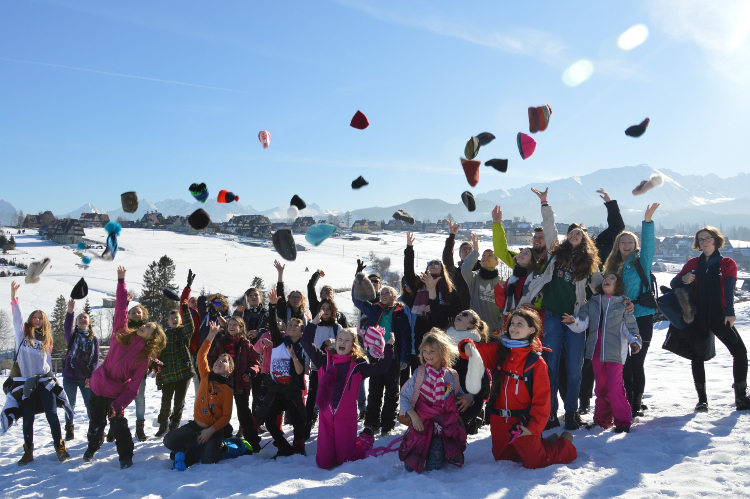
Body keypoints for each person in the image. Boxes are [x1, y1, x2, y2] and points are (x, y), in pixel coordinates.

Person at [460, 308, 577, 469]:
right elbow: (473, 349)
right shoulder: (500, 350)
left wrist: (532, 428)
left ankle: (564, 444)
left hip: (523, 422)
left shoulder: (536, 362)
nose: (513, 327)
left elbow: (542, 400)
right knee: (504, 459)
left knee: (535, 462)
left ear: (532, 330)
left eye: (519, 324)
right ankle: (542, 443)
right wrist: (467, 346)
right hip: (500, 420)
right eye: (512, 323)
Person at [84, 266, 167, 469]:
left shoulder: (143, 358)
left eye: (148, 328)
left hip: (115, 393)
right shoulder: (121, 332)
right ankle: (93, 446)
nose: (143, 326)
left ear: (152, 339)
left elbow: (133, 388)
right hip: (97, 385)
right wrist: (121, 281)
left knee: (119, 426)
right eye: (145, 325)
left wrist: (118, 404)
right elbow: (121, 308)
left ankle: (126, 457)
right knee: (95, 424)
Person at [523, 223, 602, 431]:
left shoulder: (590, 264)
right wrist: (545, 205)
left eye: (579, 233)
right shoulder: (556, 254)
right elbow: (550, 231)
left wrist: (621, 301)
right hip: (552, 315)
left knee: (575, 370)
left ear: (584, 239)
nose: (575, 235)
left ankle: (571, 412)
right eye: (571, 233)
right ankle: (550, 412)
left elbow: (601, 289)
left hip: (575, 319)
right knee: (550, 366)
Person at [670, 227, 750, 411]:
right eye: (701, 239)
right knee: (697, 357)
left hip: (719, 314)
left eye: (708, 238)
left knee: (739, 352)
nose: (704, 242)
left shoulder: (727, 263)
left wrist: (730, 312)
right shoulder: (692, 263)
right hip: (697, 315)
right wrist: (685, 278)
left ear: (716, 240)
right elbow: (674, 283)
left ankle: (741, 398)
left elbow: (729, 289)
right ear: (697, 243)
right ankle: (702, 401)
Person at [301, 318, 394, 469]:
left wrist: (389, 346)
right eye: (340, 339)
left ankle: (366, 438)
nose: (342, 342)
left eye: (347, 340)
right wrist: (313, 324)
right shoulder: (323, 360)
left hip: (346, 418)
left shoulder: (358, 366)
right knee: (324, 463)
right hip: (326, 419)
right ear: (335, 342)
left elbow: (380, 368)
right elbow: (306, 342)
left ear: (353, 345)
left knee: (346, 460)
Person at [563, 273, 642, 432]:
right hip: (596, 352)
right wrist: (574, 321)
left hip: (615, 352)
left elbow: (630, 328)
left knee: (614, 387)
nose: (608, 279)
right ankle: (602, 421)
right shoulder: (592, 303)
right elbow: (583, 322)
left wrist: (634, 342)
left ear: (618, 285)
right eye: (606, 277)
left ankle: (623, 421)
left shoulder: (623, 305)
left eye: (612, 278)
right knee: (600, 388)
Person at [603, 204, 659, 416]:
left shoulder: (641, 262)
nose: (626, 245)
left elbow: (650, 245)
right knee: (623, 364)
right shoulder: (611, 266)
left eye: (630, 242)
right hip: (618, 320)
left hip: (642, 317)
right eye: (622, 242)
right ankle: (624, 400)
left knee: (637, 362)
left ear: (635, 245)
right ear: (617, 246)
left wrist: (647, 221)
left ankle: (635, 404)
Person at [8, 281, 71, 465]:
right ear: (30, 320)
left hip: (45, 381)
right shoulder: (23, 335)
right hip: (27, 383)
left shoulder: (47, 340)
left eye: (40, 318)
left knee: (52, 414)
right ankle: (28, 451)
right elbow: (17, 318)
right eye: (34, 317)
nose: (37, 320)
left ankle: (60, 447)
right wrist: (14, 299)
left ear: (44, 321)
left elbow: (47, 363)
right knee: (27, 418)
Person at [163, 320, 234, 470]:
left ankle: (215, 445)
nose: (219, 361)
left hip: (213, 430)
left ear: (229, 370)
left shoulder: (227, 390)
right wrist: (211, 335)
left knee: (208, 461)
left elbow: (226, 417)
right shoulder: (206, 375)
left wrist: (210, 431)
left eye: (224, 361)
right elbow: (201, 355)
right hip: (195, 426)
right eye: (218, 360)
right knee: (168, 441)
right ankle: (191, 449)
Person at [398, 330, 468, 473]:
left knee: (434, 466)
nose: (427, 355)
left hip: (443, 427)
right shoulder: (420, 373)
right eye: (425, 351)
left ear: (443, 352)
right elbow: (404, 397)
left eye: (432, 351)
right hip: (421, 425)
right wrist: (414, 416)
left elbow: (459, 395)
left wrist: (469, 397)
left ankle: (445, 450)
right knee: (410, 467)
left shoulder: (451, 375)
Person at [351, 281, 412, 436]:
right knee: (375, 390)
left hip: (393, 358)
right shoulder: (374, 309)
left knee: (392, 392)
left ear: (394, 296)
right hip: (376, 358)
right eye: (382, 293)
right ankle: (372, 423)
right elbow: (356, 300)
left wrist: (404, 358)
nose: (383, 295)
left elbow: (406, 337)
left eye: (387, 293)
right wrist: (357, 280)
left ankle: (387, 424)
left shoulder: (401, 313)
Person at [256, 289, 307, 458]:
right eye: (290, 324)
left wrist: (293, 356)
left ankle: (299, 445)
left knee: (298, 418)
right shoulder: (278, 341)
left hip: (291, 388)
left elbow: (300, 372)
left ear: (301, 332)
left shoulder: (301, 348)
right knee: (269, 420)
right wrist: (271, 305)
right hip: (275, 387)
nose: (291, 327)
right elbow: (272, 323)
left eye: (296, 326)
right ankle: (283, 446)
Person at [403, 231, 461, 372]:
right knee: (422, 366)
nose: (433, 264)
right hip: (421, 329)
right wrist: (409, 248)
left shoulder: (449, 288)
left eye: (436, 263)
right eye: (430, 263)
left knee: (440, 366)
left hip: (442, 329)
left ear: (442, 269)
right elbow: (408, 272)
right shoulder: (420, 285)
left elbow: (457, 308)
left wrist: (438, 308)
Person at [430, 304, 491, 435]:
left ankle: (471, 420)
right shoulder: (444, 340)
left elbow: (482, 378)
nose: (460, 314)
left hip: (466, 400)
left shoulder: (473, 346)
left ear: (471, 326)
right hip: (444, 394)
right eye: (460, 312)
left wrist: (472, 397)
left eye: (465, 315)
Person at [207, 316, 262, 449]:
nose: (231, 327)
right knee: (220, 411)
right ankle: (224, 436)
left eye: (235, 325)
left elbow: (256, 362)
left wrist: (250, 372)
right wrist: (212, 372)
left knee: (243, 413)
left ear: (241, 328)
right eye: (230, 324)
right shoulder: (221, 343)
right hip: (222, 384)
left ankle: (253, 442)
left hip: (241, 383)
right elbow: (210, 358)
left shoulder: (246, 344)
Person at [154, 271, 196, 438]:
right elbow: (157, 356)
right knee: (165, 403)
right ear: (167, 321)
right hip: (168, 374)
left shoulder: (183, 333)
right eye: (172, 317)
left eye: (177, 317)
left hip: (183, 373)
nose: (174, 319)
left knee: (179, 403)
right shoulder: (162, 335)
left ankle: (174, 425)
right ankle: (163, 423)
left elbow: (190, 327)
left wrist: (184, 308)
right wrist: (159, 376)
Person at [301, 298, 342, 439]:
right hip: (315, 367)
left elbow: (344, 345)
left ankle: (333, 426)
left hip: (332, 369)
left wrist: (334, 343)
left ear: (333, 311)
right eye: (322, 308)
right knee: (312, 398)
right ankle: (307, 425)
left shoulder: (337, 327)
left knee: (332, 397)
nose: (325, 311)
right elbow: (307, 346)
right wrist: (306, 363)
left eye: (328, 308)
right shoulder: (314, 326)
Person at [62, 297, 99, 441]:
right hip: (70, 378)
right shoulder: (71, 337)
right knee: (69, 404)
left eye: (85, 318)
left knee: (90, 405)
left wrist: (91, 377)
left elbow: (95, 360)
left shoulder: (94, 339)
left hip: (86, 379)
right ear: (76, 322)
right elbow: (66, 327)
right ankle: (69, 429)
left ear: (89, 322)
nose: (83, 319)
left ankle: (94, 428)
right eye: (80, 318)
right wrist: (70, 312)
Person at [461, 233, 503, 332]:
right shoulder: (474, 278)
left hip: (494, 332)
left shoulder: (502, 283)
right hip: (475, 331)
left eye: (490, 255)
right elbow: (465, 269)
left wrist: (500, 326)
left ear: (497, 262)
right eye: (483, 255)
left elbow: (506, 309)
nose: (485, 257)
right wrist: (475, 251)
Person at [442, 220, 476, 310]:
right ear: (460, 254)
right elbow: (447, 258)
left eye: (470, 249)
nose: (467, 251)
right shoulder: (455, 272)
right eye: (464, 249)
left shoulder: (480, 270)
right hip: (458, 313)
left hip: (477, 313)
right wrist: (452, 236)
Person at [274, 259, 310, 326]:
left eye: (298, 297)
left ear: (302, 301)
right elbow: (280, 292)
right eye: (293, 297)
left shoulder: (306, 318)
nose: (295, 299)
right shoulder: (283, 312)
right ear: (289, 299)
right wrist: (280, 274)